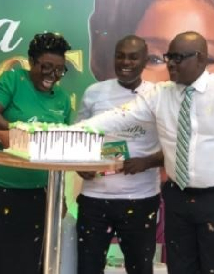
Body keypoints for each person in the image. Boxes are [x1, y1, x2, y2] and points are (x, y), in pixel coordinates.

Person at [79, 31, 214, 274]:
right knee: (179, 267)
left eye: (178, 57)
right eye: (168, 56)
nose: (170, 63)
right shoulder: (160, 94)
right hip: (178, 197)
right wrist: (71, 131)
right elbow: (118, 117)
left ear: (201, 59)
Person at [0, 32, 72, 274]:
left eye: (59, 70)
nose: (52, 76)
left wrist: (59, 197)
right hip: (0, 187)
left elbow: (60, 148)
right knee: (3, 260)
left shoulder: (62, 99)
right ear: (31, 61)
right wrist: (23, 133)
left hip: (40, 193)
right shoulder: (13, 79)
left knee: (34, 262)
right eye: (46, 67)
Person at [75, 35, 163, 274]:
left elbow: (176, 146)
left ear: (145, 60)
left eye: (133, 57)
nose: (126, 62)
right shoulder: (95, 93)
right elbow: (78, 139)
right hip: (94, 199)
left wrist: (147, 162)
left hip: (141, 199)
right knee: (88, 268)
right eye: (120, 56)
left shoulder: (158, 96)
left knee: (140, 268)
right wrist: (80, 166)